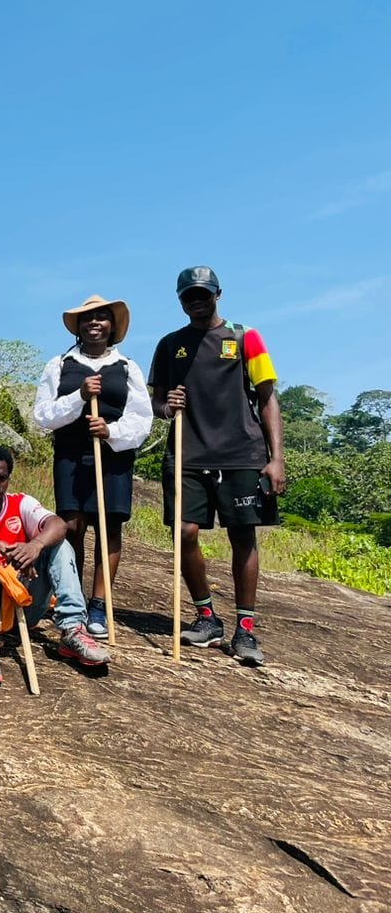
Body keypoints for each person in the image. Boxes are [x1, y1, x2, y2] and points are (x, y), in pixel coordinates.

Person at [148, 266, 285, 666]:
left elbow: (268, 398)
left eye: (202, 294)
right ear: (180, 300)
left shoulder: (245, 337)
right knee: (184, 532)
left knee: (242, 536)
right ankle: (206, 615)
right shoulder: (169, 344)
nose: (196, 301)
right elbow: (155, 402)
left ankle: (245, 628)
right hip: (187, 454)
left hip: (242, 452)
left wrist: (276, 459)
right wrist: (165, 406)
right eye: (189, 295)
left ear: (217, 294)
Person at [33, 295, 151, 638]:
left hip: (112, 457)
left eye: (102, 318)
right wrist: (80, 397)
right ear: (79, 327)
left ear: (112, 326)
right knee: (71, 527)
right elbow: (43, 415)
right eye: (87, 319)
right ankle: (73, 601)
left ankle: (99, 605)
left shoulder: (127, 367)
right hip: (70, 454)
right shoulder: (59, 364)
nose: (94, 323)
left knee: (108, 528)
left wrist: (110, 430)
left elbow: (141, 420)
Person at [0, 445, 111, 687]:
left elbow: (59, 525)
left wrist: (35, 546)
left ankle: (73, 630)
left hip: (27, 599)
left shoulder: (21, 503)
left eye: (2, 478)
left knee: (59, 545)